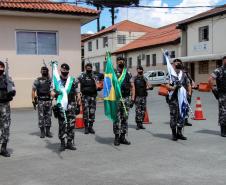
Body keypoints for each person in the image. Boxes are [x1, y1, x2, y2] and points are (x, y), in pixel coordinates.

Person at [51, 63, 79, 151]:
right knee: (62, 124)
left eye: (66, 71)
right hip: (61, 105)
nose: (64, 72)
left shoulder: (73, 80)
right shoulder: (56, 80)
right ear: (60, 71)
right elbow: (51, 92)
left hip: (71, 104)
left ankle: (69, 142)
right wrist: (55, 93)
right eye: (63, 71)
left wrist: (78, 100)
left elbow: (77, 92)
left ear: (68, 71)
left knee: (71, 124)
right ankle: (63, 143)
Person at [166, 59, 192, 141]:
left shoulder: (183, 74)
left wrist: (189, 93)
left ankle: (179, 133)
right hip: (173, 98)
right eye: (176, 64)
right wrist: (173, 88)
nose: (177, 65)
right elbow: (166, 85)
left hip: (182, 98)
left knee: (182, 115)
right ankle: (174, 133)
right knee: (174, 115)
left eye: (179, 63)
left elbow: (188, 84)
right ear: (173, 65)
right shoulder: (170, 74)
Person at [113, 57, 135, 146]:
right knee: (116, 119)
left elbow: (132, 86)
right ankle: (117, 137)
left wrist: (132, 99)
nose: (121, 62)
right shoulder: (113, 73)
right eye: (119, 61)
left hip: (126, 98)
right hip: (117, 99)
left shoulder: (128, 73)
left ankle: (123, 137)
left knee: (125, 118)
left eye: (122, 61)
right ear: (117, 62)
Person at [77, 63, 100, 134]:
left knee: (92, 112)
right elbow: (76, 82)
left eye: (90, 67)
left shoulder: (94, 76)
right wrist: (78, 92)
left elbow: (98, 86)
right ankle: (86, 127)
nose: (89, 68)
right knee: (86, 112)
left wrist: (98, 85)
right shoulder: (82, 75)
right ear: (85, 68)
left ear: (91, 68)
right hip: (85, 96)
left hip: (93, 96)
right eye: (87, 67)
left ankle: (91, 127)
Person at [0, 61, 16, 157]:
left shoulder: (8, 78)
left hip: (5, 105)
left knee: (5, 126)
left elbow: (13, 88)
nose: (1, 69)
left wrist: (12, 92)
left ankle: (3, 148)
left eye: (2, 67)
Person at [32, 66, 52, 138]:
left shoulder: (50, 80)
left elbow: (54, 87)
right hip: (41, 100)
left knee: (48, 116)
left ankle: (48, 131)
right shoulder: (38, 80)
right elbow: (33, 90)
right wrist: (33, 100)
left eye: (45, 70)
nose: (44, 71)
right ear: (41, 71)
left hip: (48, 101)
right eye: (43, 70)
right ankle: (42, 132)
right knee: (41, 117)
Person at [209, 56, 226, 137]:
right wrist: (214, 90)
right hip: (222, 94)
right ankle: (223, 130)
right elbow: (210, 79)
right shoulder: (218, 70)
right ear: (223, 61)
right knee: (223, 112)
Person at [132, 66, 152, 130]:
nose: (140, 71)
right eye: (138, 70)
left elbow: (149, 85)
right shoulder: (134, 78)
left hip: (143, 96)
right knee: (138, 111)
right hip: (137, 97)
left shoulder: (144, 78)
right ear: (137, 70)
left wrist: (149, 87)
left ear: (142, 70)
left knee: (143, 111)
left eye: (141, 70)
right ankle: (138, 124)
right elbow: (132, 87)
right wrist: (132, 97)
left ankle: (141, 124)